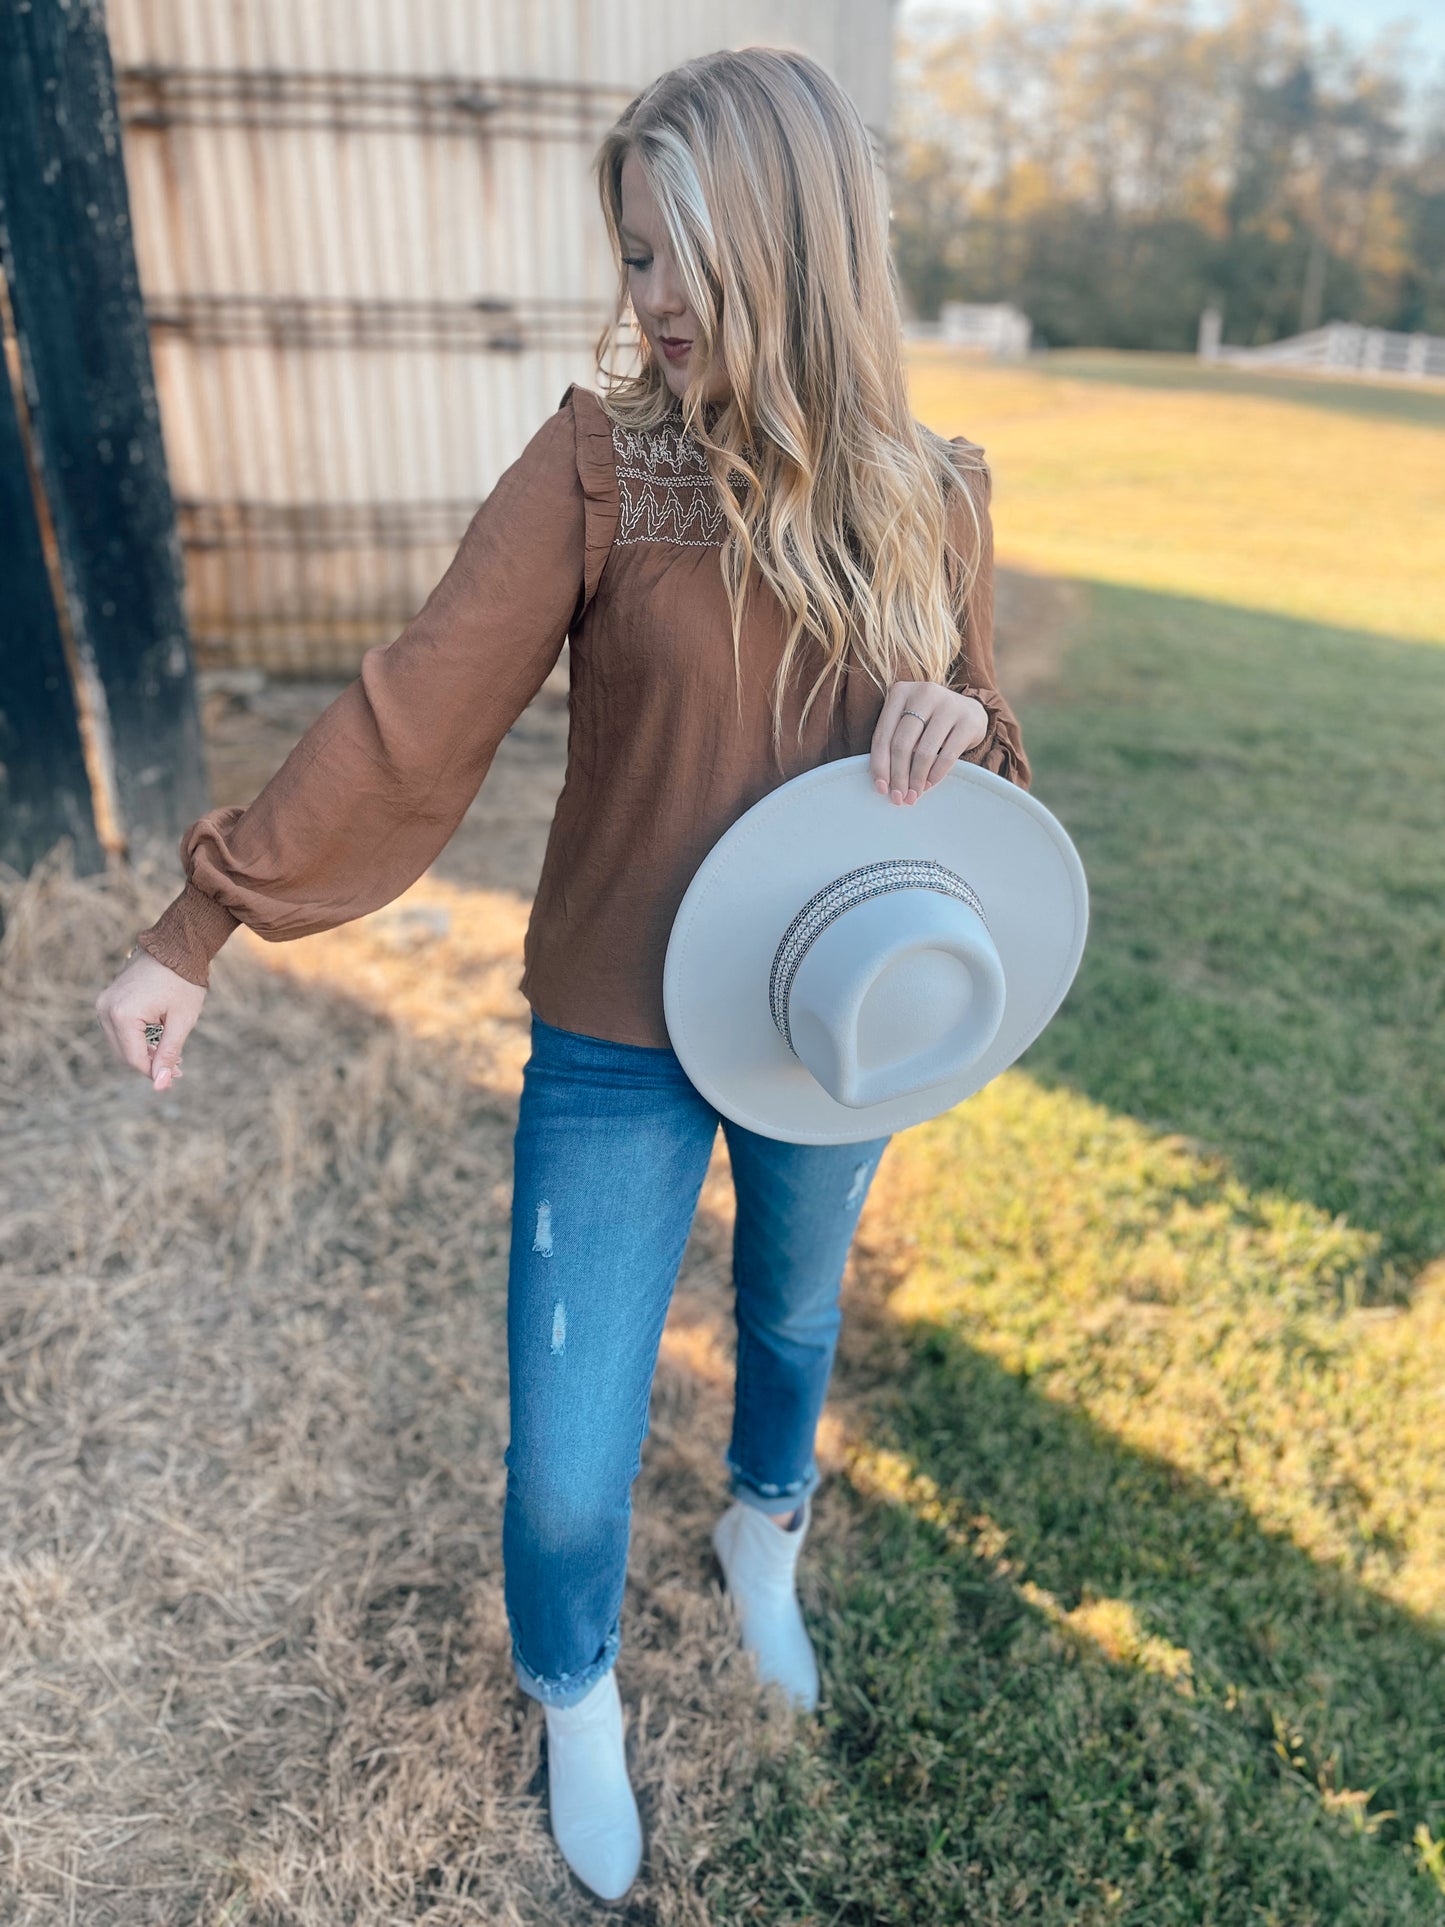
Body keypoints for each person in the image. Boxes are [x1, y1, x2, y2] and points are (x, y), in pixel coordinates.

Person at [94, 46, 1030, 1903]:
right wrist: (204, 919)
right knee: (566, 1453)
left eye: (684, 254)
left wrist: (963, 720)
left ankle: (764, 1536)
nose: (650, 300)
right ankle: (577, 1697)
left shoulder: (936, 495)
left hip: (833, 1027)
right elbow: (416, 702)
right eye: (631, 259)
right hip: (616, 1030)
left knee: (783, 1323)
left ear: (795, 246)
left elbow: (987, 777)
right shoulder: (600, 463)